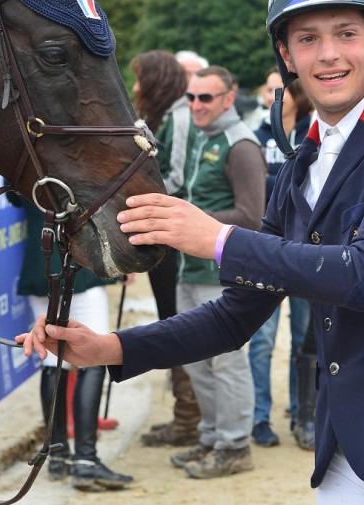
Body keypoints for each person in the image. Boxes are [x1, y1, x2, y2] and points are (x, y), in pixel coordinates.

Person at [19, 0, 364, 501]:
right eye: (307, 38)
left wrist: (215, 237)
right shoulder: (300, 166)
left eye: (345, 33)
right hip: (348, 452)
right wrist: (111, 348)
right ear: (286, 54)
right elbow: (236, 316)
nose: (328, 54)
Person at [149, 64, 267, 478]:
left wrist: (192, 222)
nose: (196, 106)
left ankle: (235, 446)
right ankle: (212, 437)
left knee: (227, 363)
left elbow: (253, 218)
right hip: (188, 269)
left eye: (206, 98)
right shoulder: (201, 135)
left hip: (223, 275)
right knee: (197, 359)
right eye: (191, 98)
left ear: (228, 99)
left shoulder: (241, 144)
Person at [10, 199, 133, 491]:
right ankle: (85, 461)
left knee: (53, 362)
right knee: (94, 359)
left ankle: (58, 455)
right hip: (78, 263)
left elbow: (14, 196)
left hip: (42, 264)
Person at [128, 50, 202, 447]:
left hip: (176, 240)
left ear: (158, 80)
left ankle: (189, 419)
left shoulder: (180, 116)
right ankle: (184, 413)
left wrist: (138, 200)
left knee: (178, 322)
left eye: (142, 79)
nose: (136, 87)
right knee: (170, 321)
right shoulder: (160, 116)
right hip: (162, 237)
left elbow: (176, 179)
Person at [248, 79, 313, 447]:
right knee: (262, 340)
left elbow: (308, 183)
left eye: (281, 88)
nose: (273, 94)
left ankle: (301, 412)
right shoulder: (254, 135)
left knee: (304, 338)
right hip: (264, 249)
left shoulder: (313, 132)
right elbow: (256, 184)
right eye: (268, 88)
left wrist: (271, 180)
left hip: (303, 249)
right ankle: (260, 417)